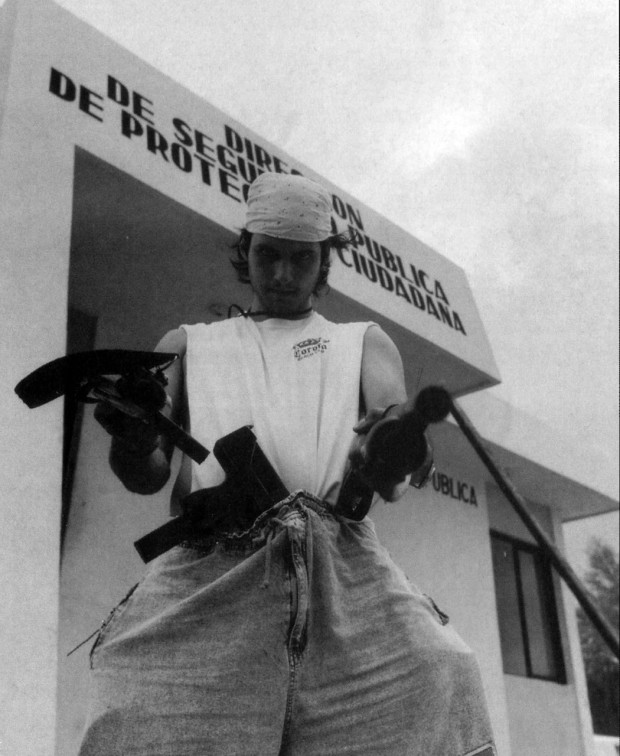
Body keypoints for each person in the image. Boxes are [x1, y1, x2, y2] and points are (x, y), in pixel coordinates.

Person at [80, 172, 496, 756]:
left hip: (341, 565)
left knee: (443, 674)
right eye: (267, 254)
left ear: (323, 264)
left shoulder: (363, 341)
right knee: (134, 707)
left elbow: (388, 423)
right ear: (244, 250)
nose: (280, 274)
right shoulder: (188, 343)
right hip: (212, 566)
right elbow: (149, 473)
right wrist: (130, 436)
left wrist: (395, 440)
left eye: (301, 260)